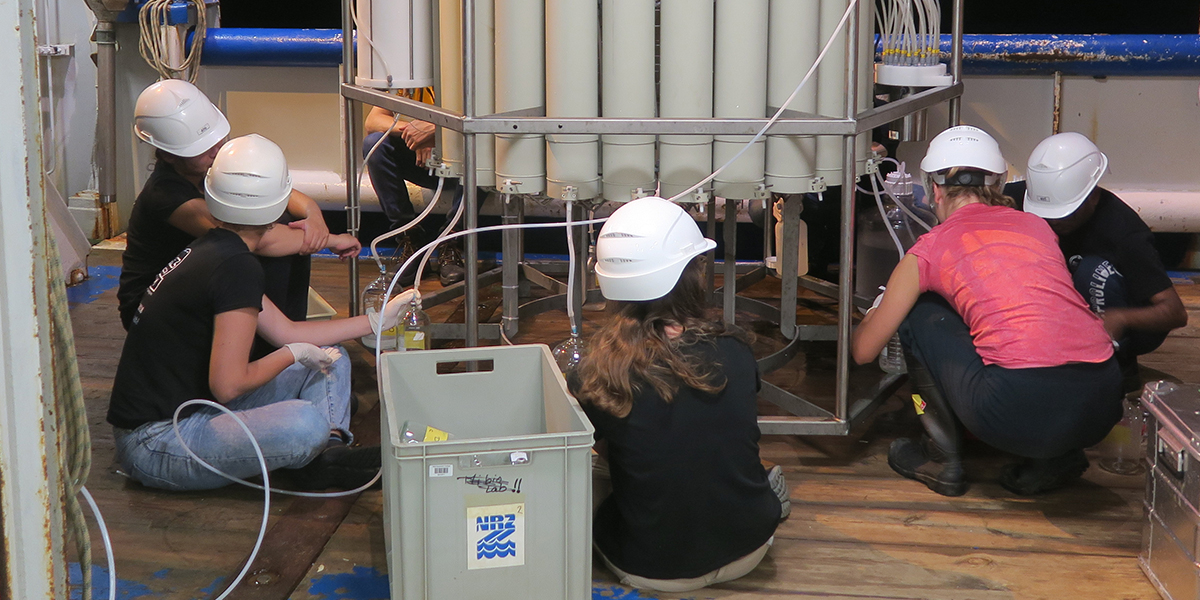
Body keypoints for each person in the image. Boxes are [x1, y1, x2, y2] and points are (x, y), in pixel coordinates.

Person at [108, 135, 416, 492]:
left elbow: (285, 330)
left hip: (189, 411)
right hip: (157, 441)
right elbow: (229, 384)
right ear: (280, 201)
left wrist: (376, 321)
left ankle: (327, 453)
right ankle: (314, 449)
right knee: (303, 423)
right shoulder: (236, 266)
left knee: (332, 359)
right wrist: (290, 355)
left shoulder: (218, 247)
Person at [851, 126, 1122, 497]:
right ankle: (1054, 460)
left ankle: (939, 457)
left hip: (1014, 410)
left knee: (921, 310)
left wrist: (878, 307)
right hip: (1103, 402)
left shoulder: (929, 249)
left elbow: (864, 351)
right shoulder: (1037, 227)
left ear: (934, 190)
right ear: (997, 182)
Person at [569, 197, 788, 593]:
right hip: (750, 549)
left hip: (651, 568)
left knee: (589, 466)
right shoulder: (736, 349)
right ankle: (758, 495)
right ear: (692, 274)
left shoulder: (598, 373)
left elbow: (606, 445)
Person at [118, 79, 361, 331]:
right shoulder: (164, 195)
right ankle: (271, 340)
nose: (216, 150)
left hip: (195, 281)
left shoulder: (206, 165)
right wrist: (330, 240)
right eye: (203, 148)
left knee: (281, 220)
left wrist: (314, 217)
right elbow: (258, 239)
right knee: (269, 244)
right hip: (153, 308)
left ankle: (280, 333)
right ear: (168, 154)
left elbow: (278, 193)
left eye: (218, 140)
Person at [1010, 132, 1187, 390]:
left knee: (1093, 272)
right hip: (1055, 315)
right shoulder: (1020, 198)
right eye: (1048, 216)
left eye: (1066, 214)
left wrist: (1121, 319)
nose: (1056, 222)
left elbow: (1174, 312)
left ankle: (1116, 367)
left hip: (1116, 315)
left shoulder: (1123, 232)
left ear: (1092, 195)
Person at [363, 93, 465, 286]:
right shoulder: (411, 69)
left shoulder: (466, 67)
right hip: (423, 162)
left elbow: (485, 117)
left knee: (485, 146)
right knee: (374, 144)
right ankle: (410, 240)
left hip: (463, 163)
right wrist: (416, 132)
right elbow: (373, 120)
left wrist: (437, 130)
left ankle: (452, 242)